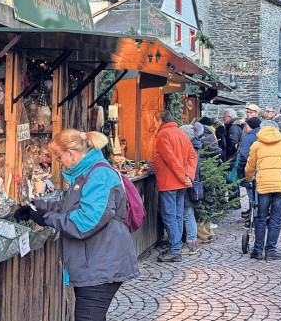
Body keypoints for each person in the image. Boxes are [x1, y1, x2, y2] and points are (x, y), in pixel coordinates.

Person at [13, 129, 140, 321]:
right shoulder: (86, 173)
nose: (60, 162)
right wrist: (36, 207)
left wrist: (46, 217)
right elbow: (68, 207)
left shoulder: (99, 175)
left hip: (101, 263)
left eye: (58, 157)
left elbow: (85, 222)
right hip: (95, 262)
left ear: (70, 153)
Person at [153, 110, 198, 262]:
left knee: (170, 216)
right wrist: (188, 176)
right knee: (177, 215)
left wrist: (184, 176)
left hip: (169, 182)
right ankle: (175, 246)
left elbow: (171, 159)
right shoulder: (181, 133)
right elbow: (192, 156)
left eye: (155, 121)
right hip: (180, 183)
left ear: (160, 120)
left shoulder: (163, 135)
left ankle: (174, 250)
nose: (153, 124)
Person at [244, 120, 281, 260]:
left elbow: (250, 167)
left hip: (263, 186)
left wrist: (249, 178)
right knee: (276, 219)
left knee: (261, 218)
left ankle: (257, 250)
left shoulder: (256, 145)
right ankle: (270, 251)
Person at [179, 124, 202, 255]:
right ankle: (191, 241)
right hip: (192, 182)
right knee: (188, 213)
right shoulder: (195, 146)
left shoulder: (191, 147)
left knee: (187, 213)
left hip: (189, 183)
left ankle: (192, 242)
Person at [237, 117, 261, 222]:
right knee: (259, 195)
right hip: (262, 170)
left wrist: (241, 169)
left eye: (247, 125)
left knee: (252, 195)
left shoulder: (248, 138)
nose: (246, 127)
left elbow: (244, 155)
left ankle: (253, 218)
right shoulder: (262, 136)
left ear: (250, 126)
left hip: (251, 170)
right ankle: (258, 217)